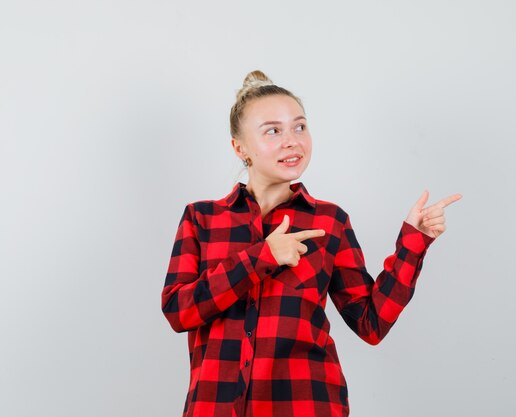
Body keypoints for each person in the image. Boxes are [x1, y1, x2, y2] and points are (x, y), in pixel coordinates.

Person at [161, 70, 462, 417]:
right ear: (239, 147)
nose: (292, 141)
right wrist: (263, 257)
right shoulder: (202, 219)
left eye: (299, 127)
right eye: (273, 130)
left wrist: (415, 242)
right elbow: (178, 311)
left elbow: (371, 324)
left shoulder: (329, 222)